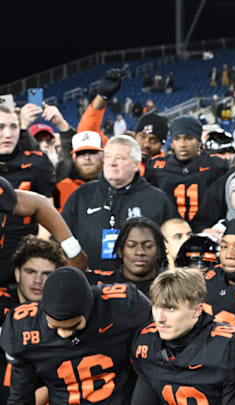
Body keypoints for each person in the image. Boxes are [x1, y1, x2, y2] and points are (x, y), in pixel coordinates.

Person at [1, 266, 152, 404]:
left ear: (89, 309)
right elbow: (21, 396)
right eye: (55, 327)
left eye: (73, 326)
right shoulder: (24, 326)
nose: (64, 334)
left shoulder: (125, 305)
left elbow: (155, 367)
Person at [130, 267, 235, 405]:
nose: (159, 318)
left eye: (170, 308)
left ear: (197, 310)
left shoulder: (232, 346)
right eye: (156, 306)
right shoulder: (146, 342)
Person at [61, 135, 176, 270]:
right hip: (89, 284)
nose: (112, 163)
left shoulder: (157, 199)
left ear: (136, 165)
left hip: (141, 286)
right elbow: (61, 240)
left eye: (119, 158)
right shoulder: (81, 195)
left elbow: (173, 245)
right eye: (108, 157)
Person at [0, 235, 67, 403]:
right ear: (17, 273)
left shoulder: (64, 313)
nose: (38, 281)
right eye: (30, 272)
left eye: (47, 274)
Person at [0, 105, 56, 278]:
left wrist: (36, 253)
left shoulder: (37, 163)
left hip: (21, 255)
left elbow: (48, 214)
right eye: (1, 127)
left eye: (14, 126)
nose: (8, 134)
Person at [145, 116, 227, 224]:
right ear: (172, 142)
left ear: (199, 141)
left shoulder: (217, 166)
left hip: (207, 230)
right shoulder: (156, 166)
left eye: (188, 138)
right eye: (177, 138)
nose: (182, 144)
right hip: (168, 231)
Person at [85, 217, 165, 296]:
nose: (140, 252)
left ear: (159, 252)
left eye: (148, 246)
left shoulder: (171, 286)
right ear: (120, 251)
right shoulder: (98, 283)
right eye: (131, 245)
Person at [54, 130, 105, 212]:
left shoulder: (114, 185)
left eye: (92, 152)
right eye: (81, 153)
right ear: (74, 157)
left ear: (102, 155)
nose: (87, 158)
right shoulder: (61, 188)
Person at [134, 111, 169, 175]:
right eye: (142, 137)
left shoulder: (168, 170)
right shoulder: (120, 164)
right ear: (135, 136)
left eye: (153, 141)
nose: (146, 144)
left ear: (162, 144)